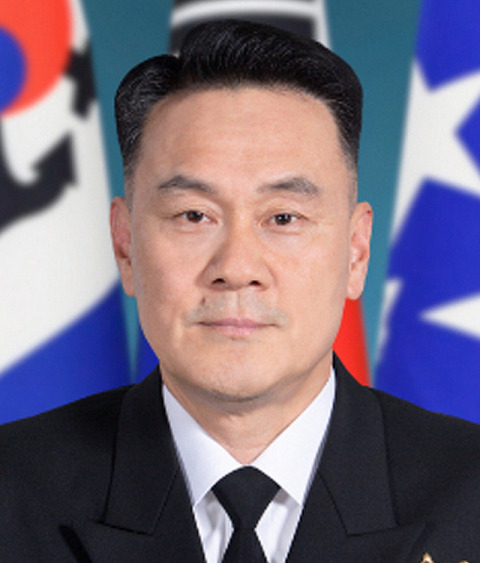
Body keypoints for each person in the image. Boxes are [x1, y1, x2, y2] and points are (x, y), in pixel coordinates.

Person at [1, 19, 480, 563]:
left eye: (283, 217)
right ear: (125, 246)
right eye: (193, 215)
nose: (236, 267)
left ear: (356, 252)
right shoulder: (11, 493)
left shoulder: (471, 495)